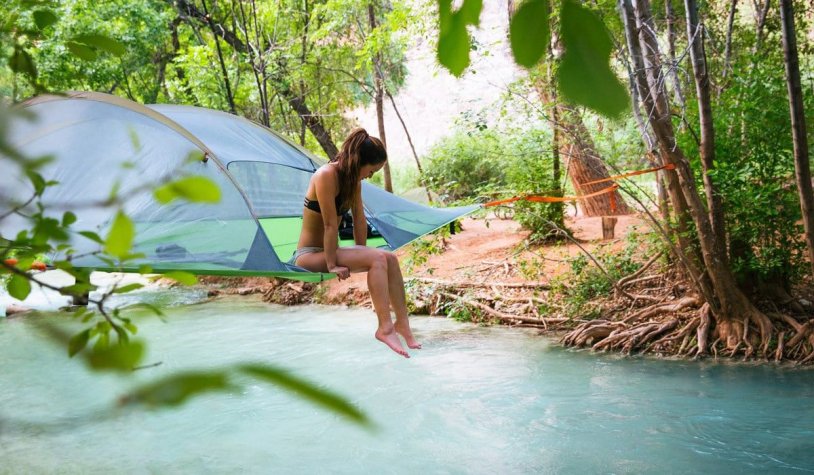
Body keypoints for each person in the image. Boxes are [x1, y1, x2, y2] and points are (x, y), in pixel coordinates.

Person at [290, 128, 421, 358]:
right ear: (359, 161)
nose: (370, 176)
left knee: (388, 256)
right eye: (371, 170)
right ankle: (384, 328)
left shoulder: (353, 181)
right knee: (378, 257)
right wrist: (332, 265)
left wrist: (362, 250)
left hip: (332, 251)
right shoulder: (325, 175)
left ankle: (403, 324)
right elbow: (330, 225)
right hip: (308, 255)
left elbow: (360, 219)